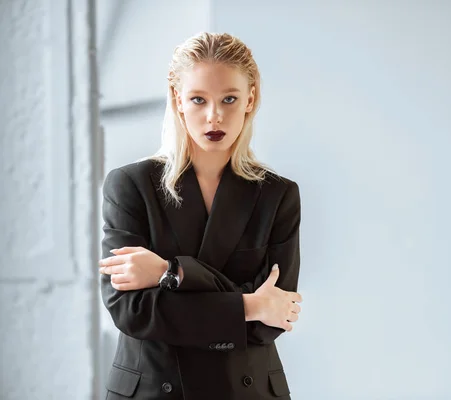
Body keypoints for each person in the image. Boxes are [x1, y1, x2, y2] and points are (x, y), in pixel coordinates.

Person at [98, 32, 303, 400]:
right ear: (178, 100)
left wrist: (167, 274)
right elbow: (130, 310)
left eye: (229, 99)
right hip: (154, 391)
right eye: (198, 100)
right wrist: (250, 305)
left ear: (250, 99)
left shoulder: (277, 195)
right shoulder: (131, 186)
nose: (214, 116)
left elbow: (273, 323)